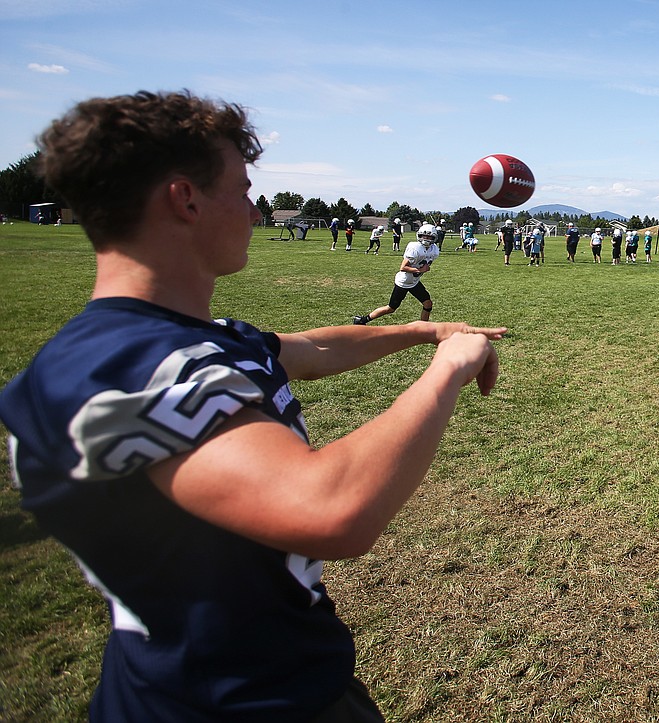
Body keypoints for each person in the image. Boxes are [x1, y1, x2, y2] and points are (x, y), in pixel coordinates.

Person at [0, 90, 504, 723]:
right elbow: (330, 510)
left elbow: (315, 348)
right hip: (222, 702)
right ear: (185, 200)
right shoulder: (122, 370)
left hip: (281, 678)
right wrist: (446, 371)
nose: (254, 209)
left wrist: (428, 332)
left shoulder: (193, 341)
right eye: (241, 189)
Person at [354, 223, 442, 323]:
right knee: (391, 308)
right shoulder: (415, 248)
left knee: (428, 304)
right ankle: (362, 320)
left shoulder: (434, 249)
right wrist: (420, 270)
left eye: (429, 236)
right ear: (419, 235)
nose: (426, 238)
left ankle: (423, 328)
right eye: (424, 236)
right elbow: (403, 267)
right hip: (403, 283)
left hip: (414, 282)